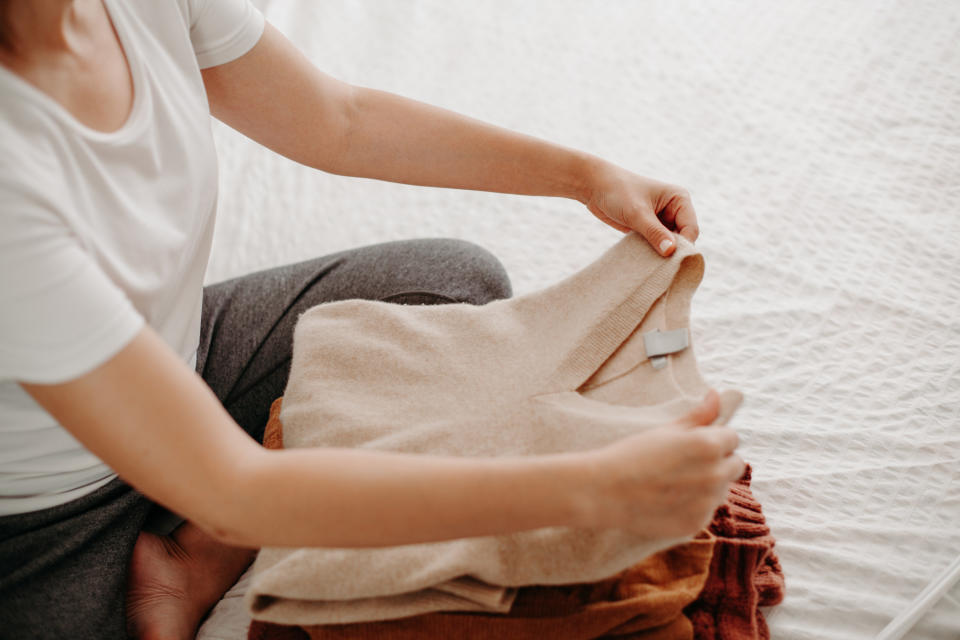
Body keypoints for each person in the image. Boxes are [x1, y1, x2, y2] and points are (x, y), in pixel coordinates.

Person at [0, 1, 745, 639]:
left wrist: (585, 177)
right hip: (49, 518)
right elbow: (233, 492)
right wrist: (591, 489)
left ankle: (195, 556)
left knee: (449, 283)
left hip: (181, 364)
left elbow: (338, 121)